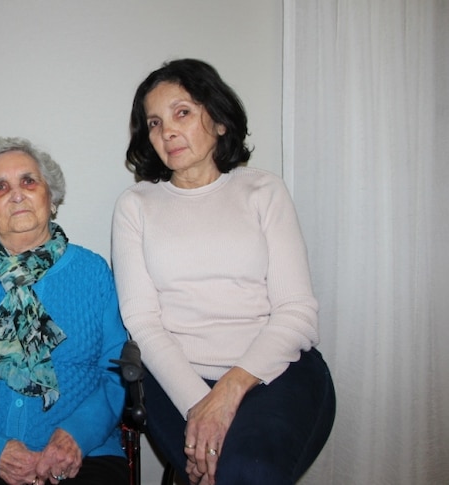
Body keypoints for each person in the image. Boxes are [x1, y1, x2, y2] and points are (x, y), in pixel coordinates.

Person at [111, 59, 335, 485]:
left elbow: (297, 312)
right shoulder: (135, 205)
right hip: (176, 377)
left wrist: (229, 393)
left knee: (249, 469)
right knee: (223, 468)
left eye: (182, 112)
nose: (167, 131)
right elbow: (142, 322)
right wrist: (204, 408)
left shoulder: (263, 190)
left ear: (218, 121)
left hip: (274, 371)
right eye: (154, 122)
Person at [0, 137, 129, 485]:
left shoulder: (94, 273)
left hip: (84, 452)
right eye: (0, 187)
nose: (17, 194)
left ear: (51, 197)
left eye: (28, 181)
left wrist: (75, 436)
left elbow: (116, 374)